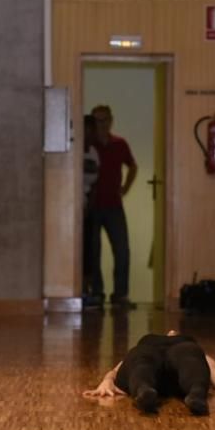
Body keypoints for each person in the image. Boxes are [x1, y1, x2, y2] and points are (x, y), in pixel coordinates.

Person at [83, 330, 215, 415]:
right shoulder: (184, 345)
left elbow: (117, 370)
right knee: (189, 363)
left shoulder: (181, 344)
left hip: (159, 353)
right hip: (159, 353)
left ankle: (143, 388)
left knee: (143, 363)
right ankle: (195, 392)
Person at [86, 104, 138, 308]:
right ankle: (97, 293)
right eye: (98, 120)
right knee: (93, 251)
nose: (102, 124)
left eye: (105, 119)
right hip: (92, 206)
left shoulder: (120, 144)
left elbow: (132, 166)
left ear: (111, 120)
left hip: (114, 206)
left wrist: (125, 187)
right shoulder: (89, 146)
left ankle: (120, 294)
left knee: (122, 250)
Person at [82, 115, 102, 309]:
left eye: (91, 130)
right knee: (80, 249)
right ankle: (79, 289)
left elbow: (95, 181)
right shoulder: (75, 150)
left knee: (91, 249)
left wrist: (90, 205)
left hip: (89, 204)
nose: (89, 134)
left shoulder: (94, 152)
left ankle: (88, 289)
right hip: (74, 205)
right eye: (86, 130)